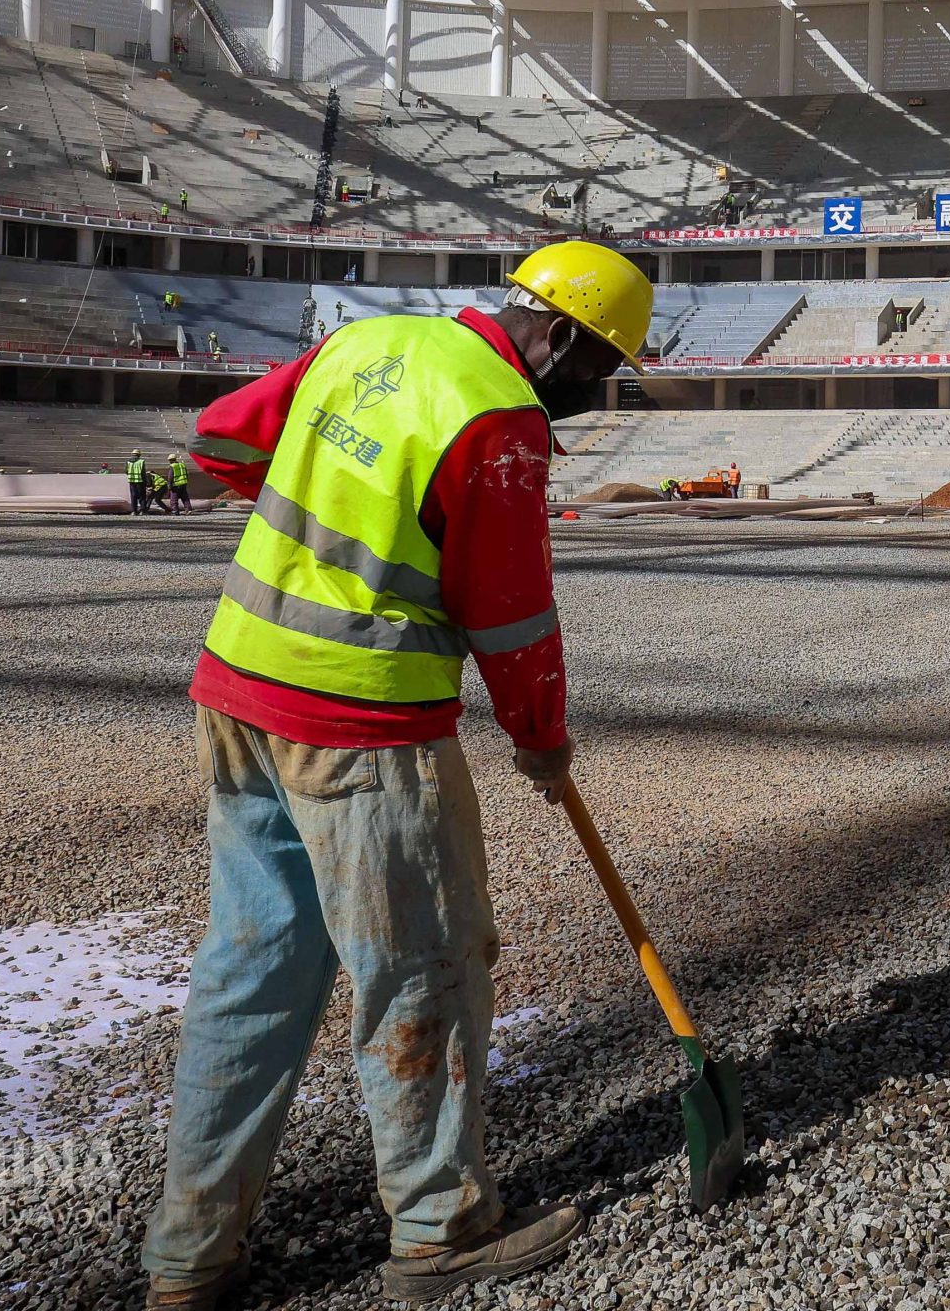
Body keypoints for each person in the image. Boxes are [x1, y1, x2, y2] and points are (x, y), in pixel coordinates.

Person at [140, 240, 653, 1310]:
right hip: (362, 726)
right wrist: (539, 735)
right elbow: (508, 610)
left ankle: (190, 1261)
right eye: (596, 372)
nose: (588, 399)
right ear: (556, 337)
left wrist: (335, 525)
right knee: (423, 969)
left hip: (238, 692)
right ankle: (440, 1227)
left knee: (252, 975)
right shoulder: (498, 415)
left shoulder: (368, 342)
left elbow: (222, 439)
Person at [127, 449, 150, 515]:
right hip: (140, 481)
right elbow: (143, 472)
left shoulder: (128, 462)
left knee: (133, 496)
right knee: (142, 496)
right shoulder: (141, 461)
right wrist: (146, 482)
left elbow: (126, 470)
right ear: (139, 455)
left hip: (132, 481)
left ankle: (134, 511)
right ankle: (142, 511)